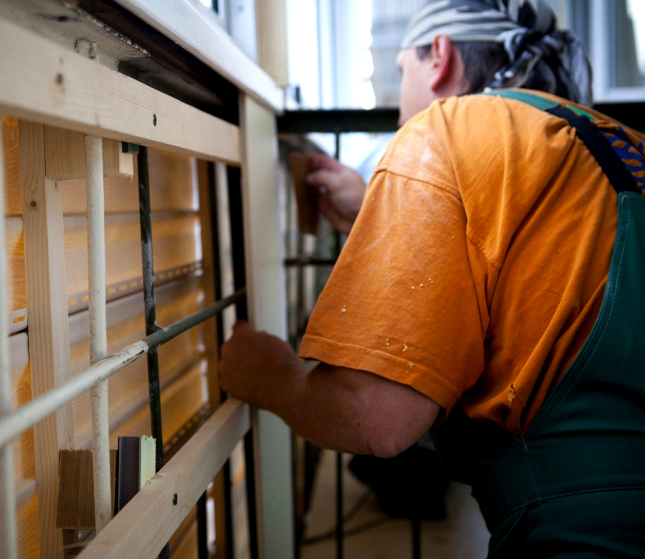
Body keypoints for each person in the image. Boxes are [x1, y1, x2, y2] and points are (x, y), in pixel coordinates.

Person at [219, 0, 645, 555]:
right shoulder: (618, 143)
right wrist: (369, 218)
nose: (400, 109)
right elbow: (530, 273)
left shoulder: (445, 127)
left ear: (438, 58)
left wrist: (269, 374)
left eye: (400, 73)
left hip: (583, 535)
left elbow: (375, 417)